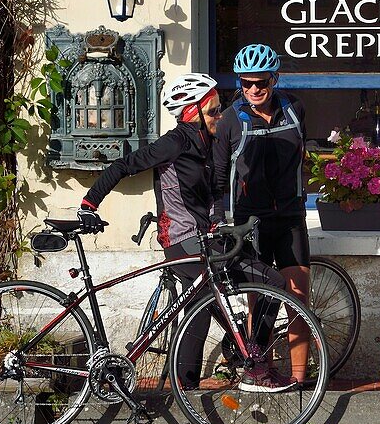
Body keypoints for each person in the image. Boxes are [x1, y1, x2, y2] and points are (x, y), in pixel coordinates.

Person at [76, 73, 292, 393]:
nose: (220, 116)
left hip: (205, 237)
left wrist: (218, 219)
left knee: (270, 282)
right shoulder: (174, 142)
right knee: (202, 306)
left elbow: (216, 191)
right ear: (193, 113)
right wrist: (88, 204)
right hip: (181, 242)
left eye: (220, 109)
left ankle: (249, 356)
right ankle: (191, 387)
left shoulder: (210, 143)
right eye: (213, 111)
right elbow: (122, 166)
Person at [212, 43, 311, 385]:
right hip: (249, 221)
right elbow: (220, 174)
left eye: (261, 82)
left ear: (274, 78)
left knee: (298, 297)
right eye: (246, 83)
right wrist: (219, 220)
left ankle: (300, 380)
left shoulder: (295, 109)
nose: (254, 89)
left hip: (290, 216)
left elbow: (301, 156)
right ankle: (259, 371)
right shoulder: (229, 119)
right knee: (261, 297)